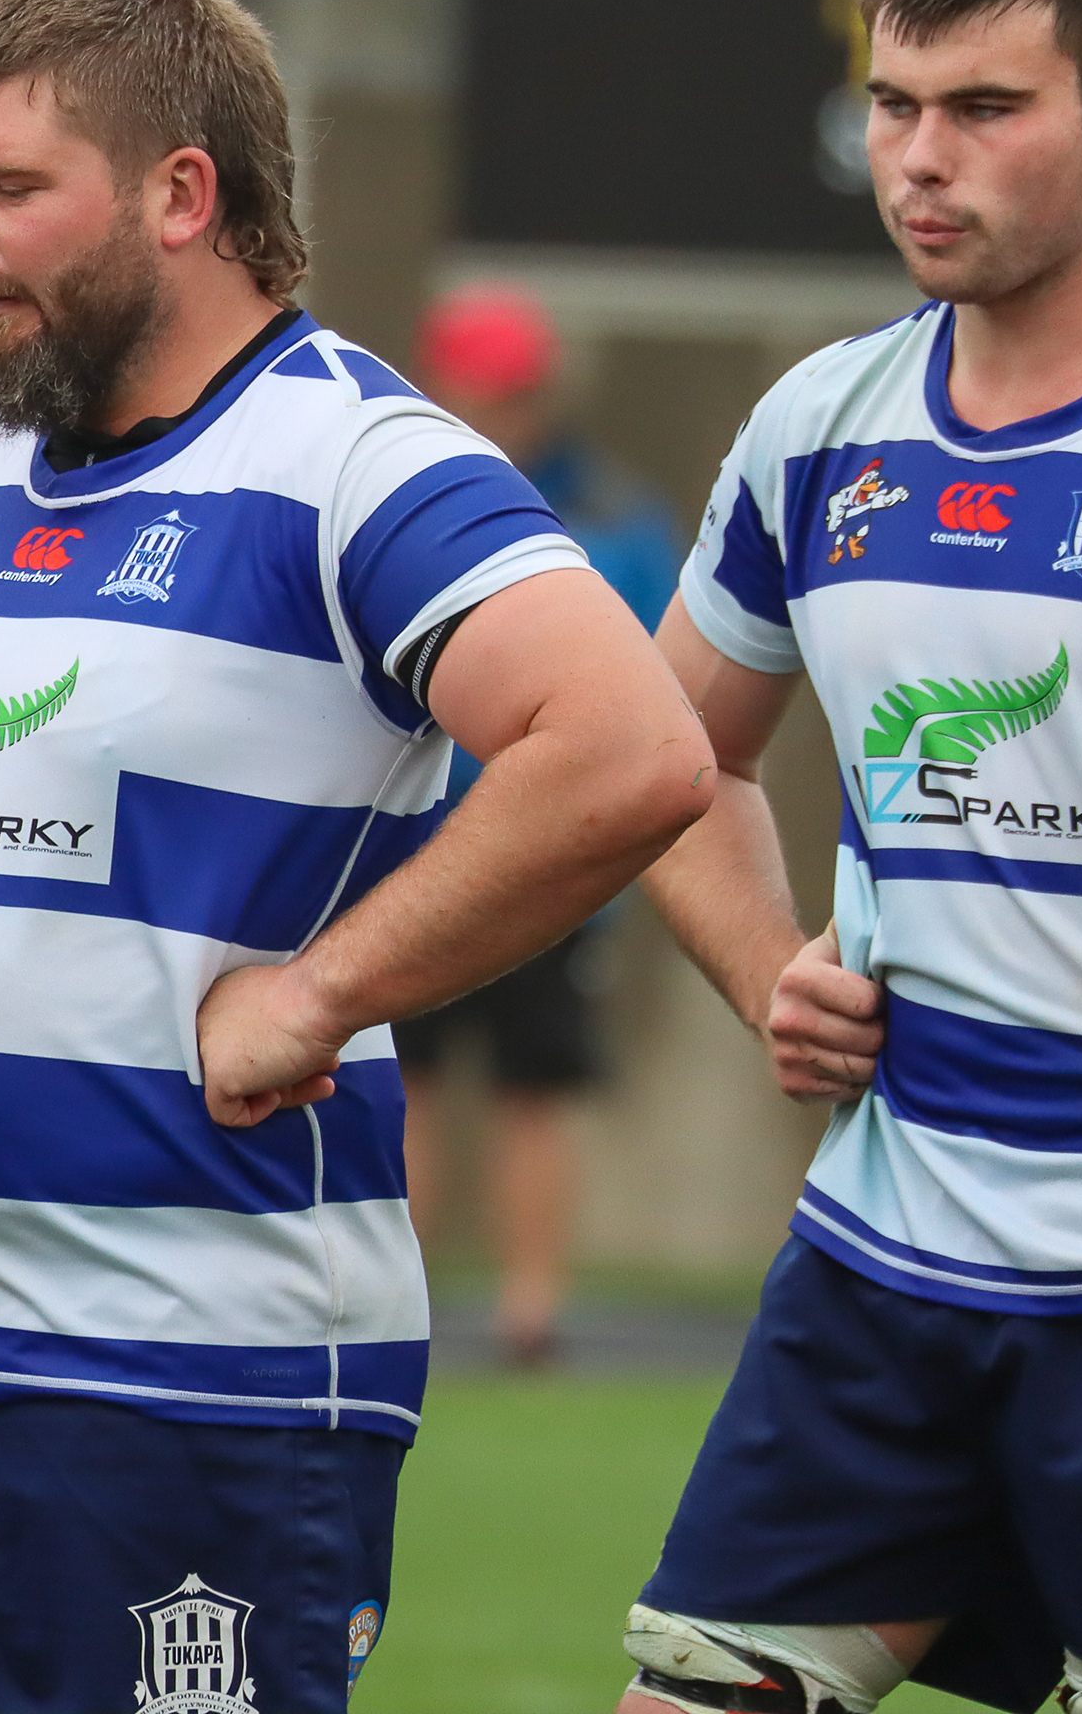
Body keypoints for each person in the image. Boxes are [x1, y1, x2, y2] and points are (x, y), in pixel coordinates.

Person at [0, 0, 711, 1714]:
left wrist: (322, 993)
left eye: (10, 188)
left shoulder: (356, 462)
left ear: (182, 195)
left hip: (181, 1371)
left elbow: (629, 748)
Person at [615, 0, 1082, 1714]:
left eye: (985, 108)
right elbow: (662, 763)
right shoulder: (823, 428)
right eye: (895, 105)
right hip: (886, 1263)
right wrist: (770, 966)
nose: (920, 158)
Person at [394, 283, 683, 1366]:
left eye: (513, 391)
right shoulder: (394, 499)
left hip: (553, 859)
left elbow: (659, 685)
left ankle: (531, 1313)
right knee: (401, 1080)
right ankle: (400, 1298)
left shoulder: (611, 515)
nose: (496, 412)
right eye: (477, 389)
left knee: (536, 1086)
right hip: (415, 843)